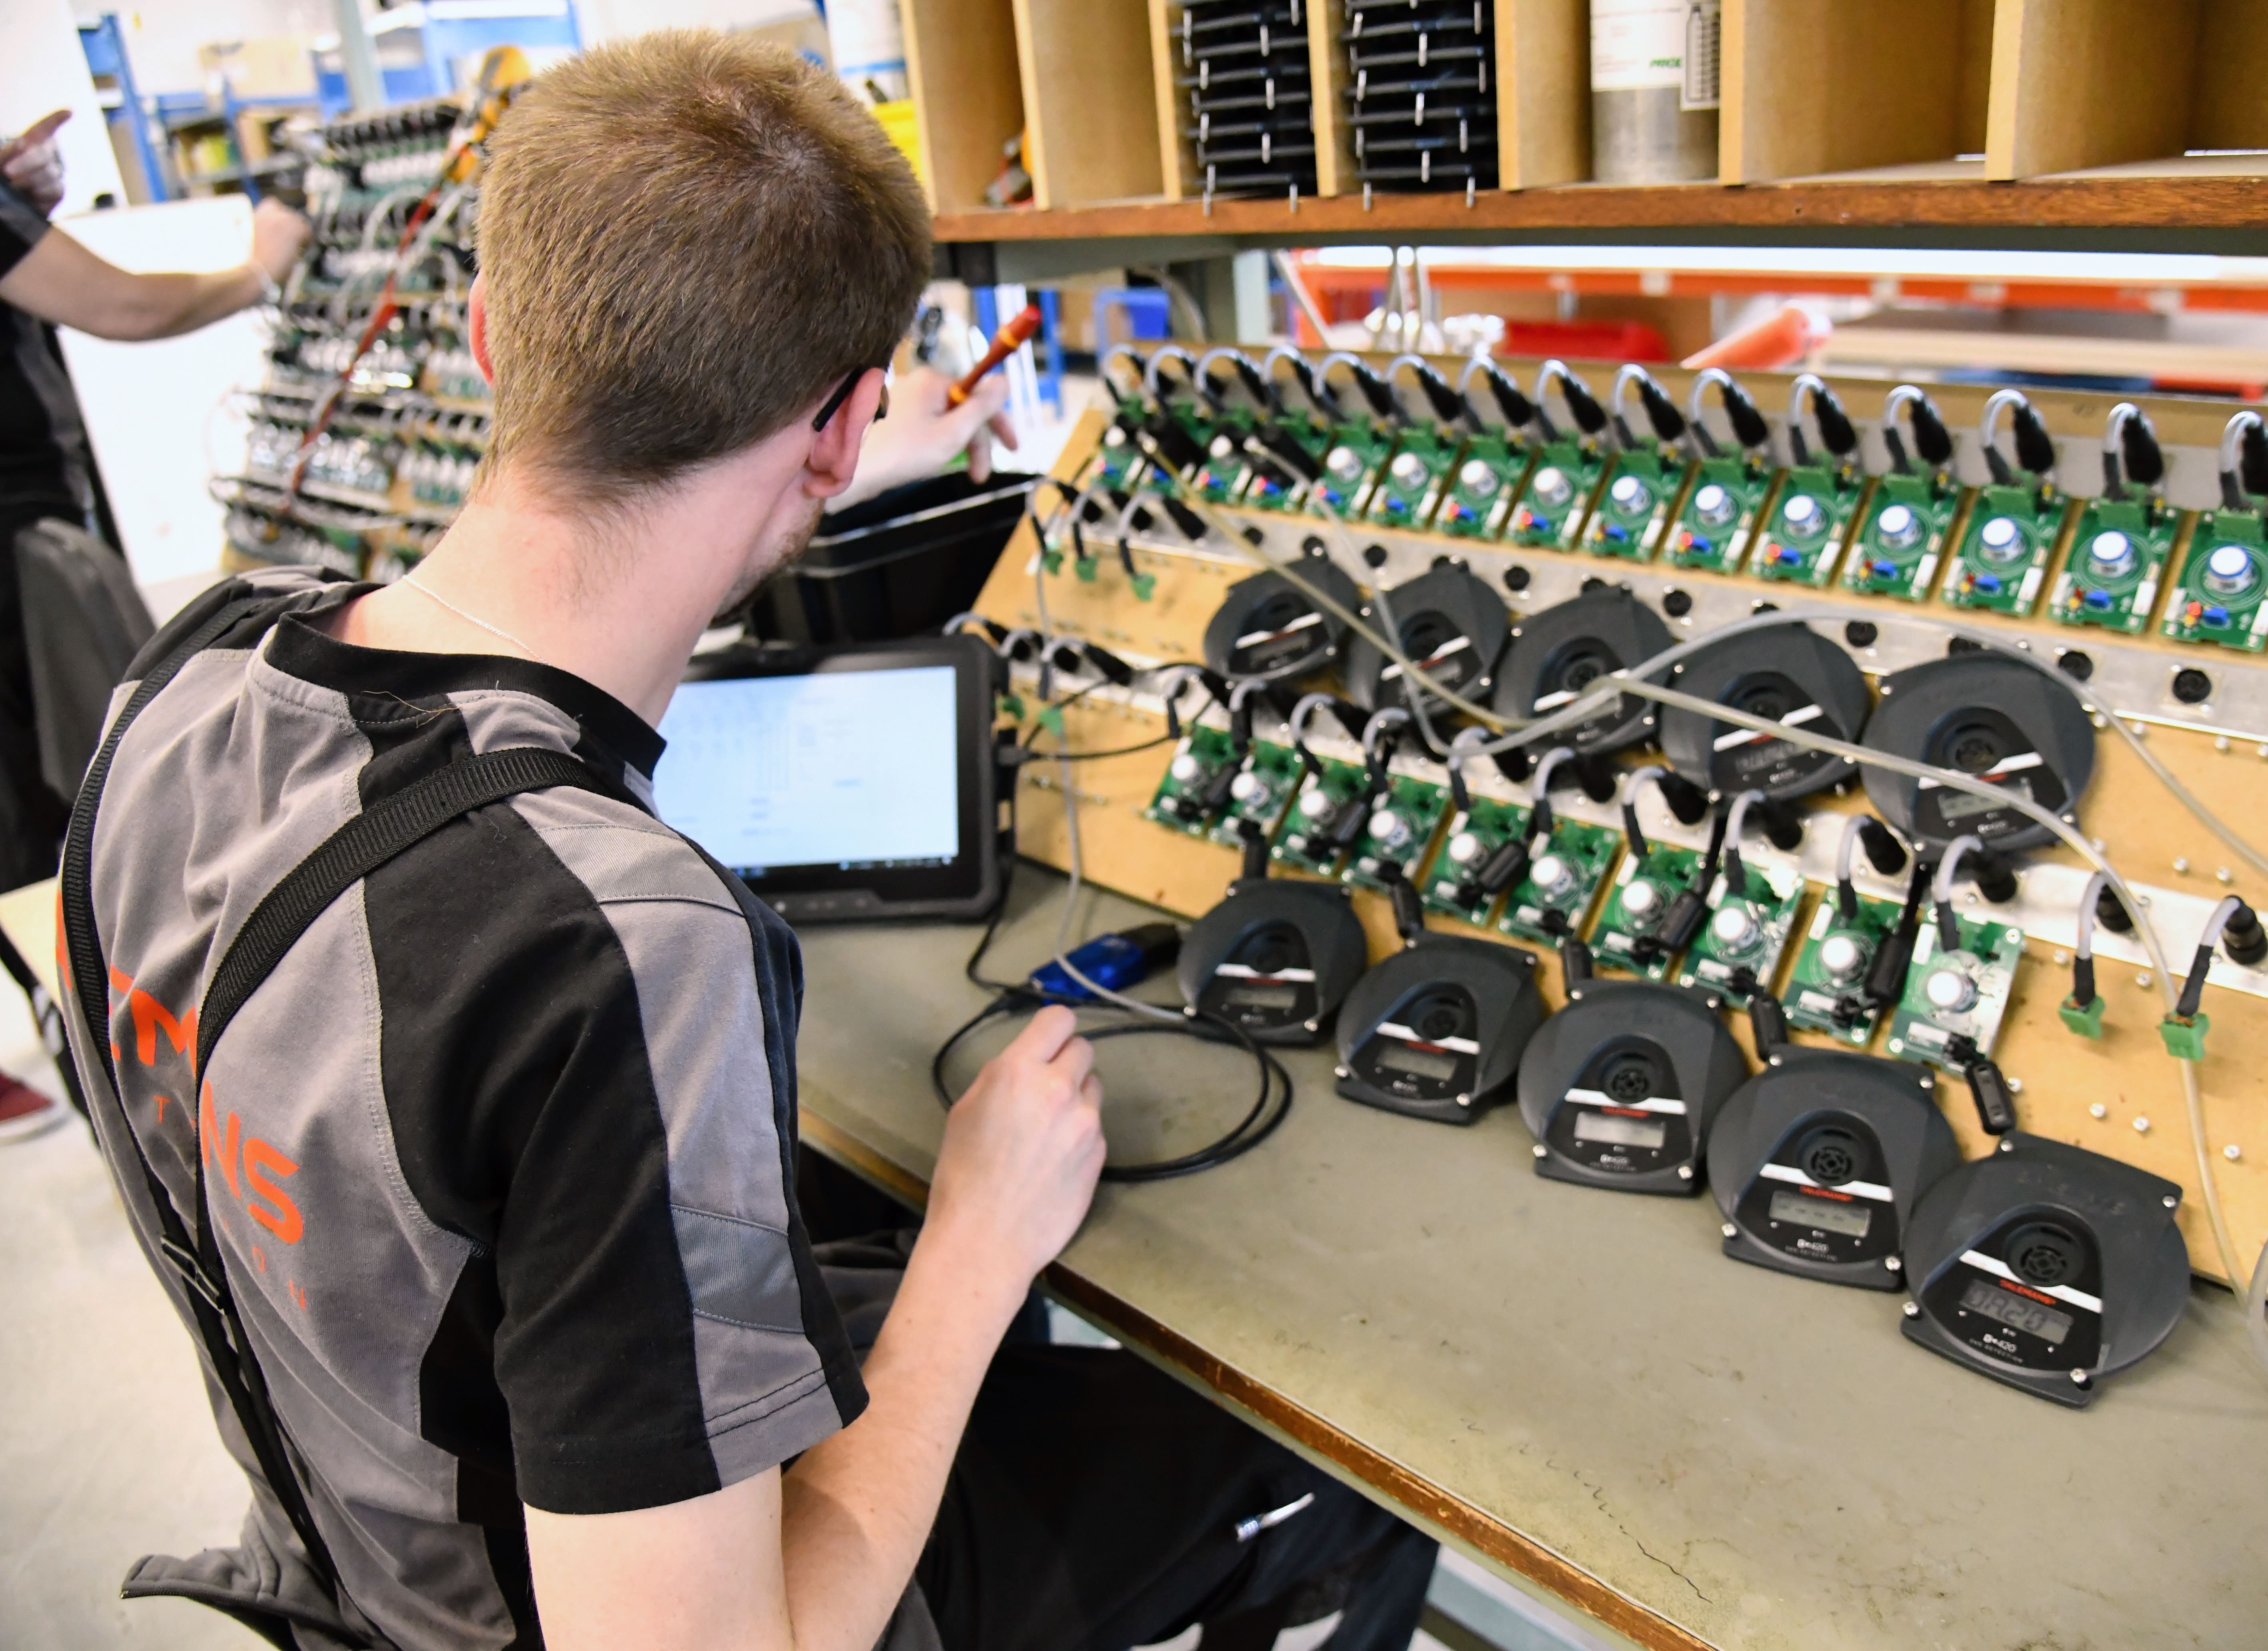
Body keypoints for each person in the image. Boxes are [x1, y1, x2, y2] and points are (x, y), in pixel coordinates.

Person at [63, 31, 1433, 1651]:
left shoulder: (187, 671)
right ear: (844, 435)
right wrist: (981, 1249)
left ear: (498, 340)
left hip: (357, 1535)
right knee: (1327, 1488)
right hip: (548, 1608)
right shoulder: (618, 945)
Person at [0, 112, 313, 1143]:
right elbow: (123, 307)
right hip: (18, 560)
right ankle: (133, 1075)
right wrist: (261, 267)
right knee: (94, 806)